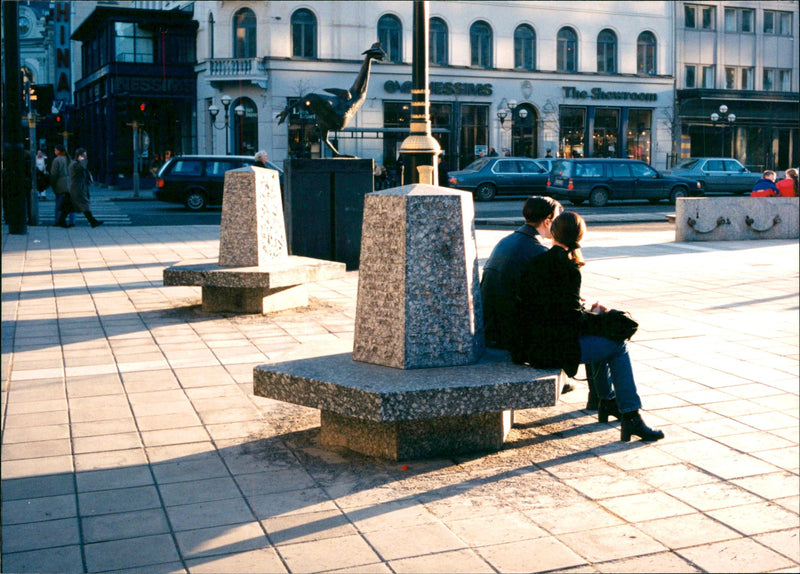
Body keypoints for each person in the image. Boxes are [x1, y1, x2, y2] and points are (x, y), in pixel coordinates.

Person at [512, 211, 664, 442]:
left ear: (553, 232)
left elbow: (547, 307)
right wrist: (597, 315)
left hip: (531, 343)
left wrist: (586, 315)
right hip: (551, 349)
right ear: (580, 237)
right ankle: (631, 415)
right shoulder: (568, 269)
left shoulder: (538, 260)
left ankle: (605, 401)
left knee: (600, 338)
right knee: (616, 345)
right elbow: (571, 321)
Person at [480, 196, 580, 397]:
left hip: (489, 324)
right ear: (547, 222)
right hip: (508, 333)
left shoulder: (507, 241)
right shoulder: (538, 252)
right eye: (557, 220)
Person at [57, 148, 103, 228]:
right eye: (84, 155)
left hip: (77, 188)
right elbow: (82, 167)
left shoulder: (76, 163)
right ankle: (92, 221)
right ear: (79, 155)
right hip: (77, 189)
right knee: (84, 204)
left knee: (69, 206)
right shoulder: (75, 164)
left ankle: (61, 221)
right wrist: (83, 160)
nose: (86, 157)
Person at [50, 145, 74, 227]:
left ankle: (58, 220)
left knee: (59, 203)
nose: (54, 151)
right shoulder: (70, 159)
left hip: (60, 184)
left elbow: (54, 174)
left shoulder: (57, 160)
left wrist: (53, 184)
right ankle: (72, 221)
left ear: (58, 151)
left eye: (55, 150)